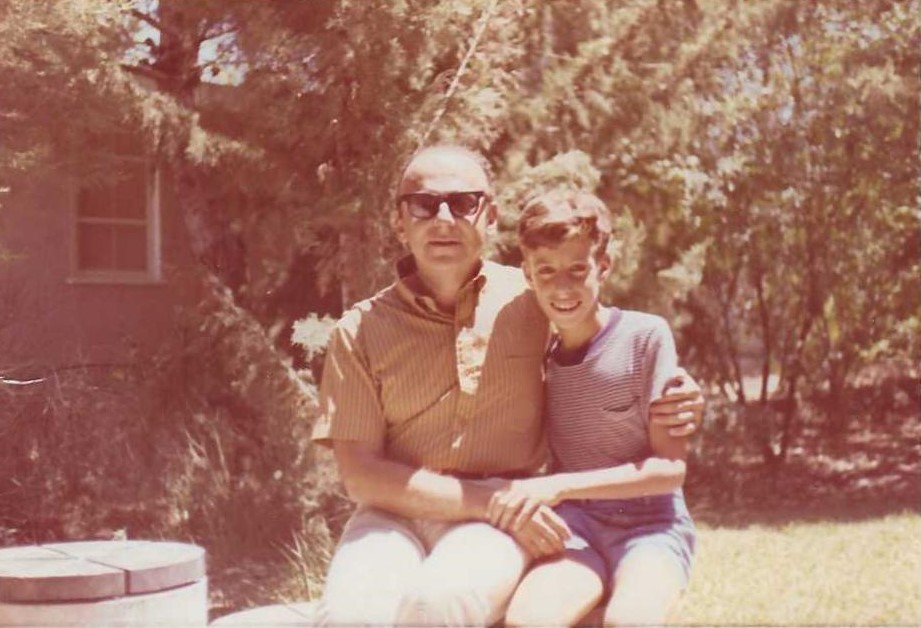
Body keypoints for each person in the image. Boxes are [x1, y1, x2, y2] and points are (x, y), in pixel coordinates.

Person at [312, 145, 702, 626]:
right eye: (423, 203)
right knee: (351, 616)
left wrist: (679, 394)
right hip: (396, 514)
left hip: (495, 521)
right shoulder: (360, 329)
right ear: (399, 222)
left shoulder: (532, 298)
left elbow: (605, 336)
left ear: (490, 215)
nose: (443, 217)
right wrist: (495, 498)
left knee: (438, 605)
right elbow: (361, 476)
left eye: (463, 202)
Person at [487, 189, 696, 627]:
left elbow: (669, 471)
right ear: (527, 273)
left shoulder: (646, 337)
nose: (562, 287)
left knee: (628, 620)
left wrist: (558, 486)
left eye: (577, 269)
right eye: (545, 271)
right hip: (576, 527)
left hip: (651, 528)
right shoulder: (536, 353)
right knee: (528, 620)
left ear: (604, 266)